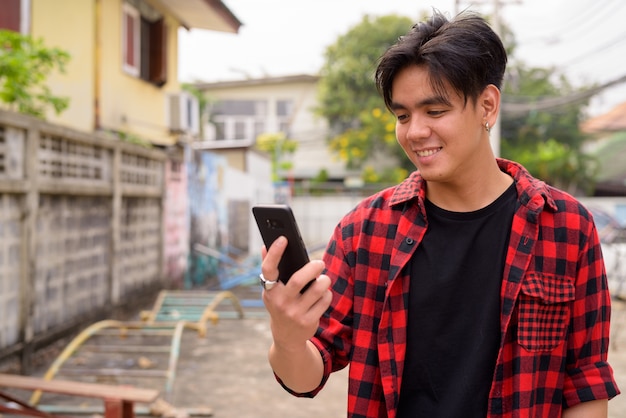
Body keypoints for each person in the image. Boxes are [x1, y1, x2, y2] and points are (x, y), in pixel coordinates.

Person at [258, 9, 620, 418]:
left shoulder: (566, 226)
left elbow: (585, 383)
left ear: (487, 105)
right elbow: (308, 374)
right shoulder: (364, 231)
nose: (414, 132)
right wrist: (288, 339)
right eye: (402, 115)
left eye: (434, 112)